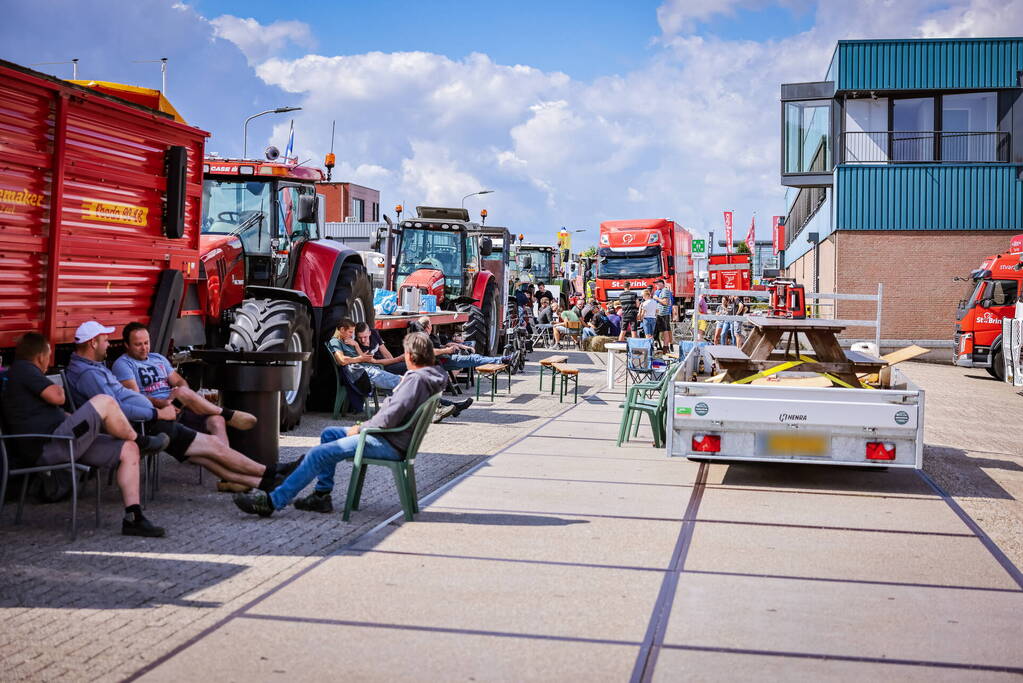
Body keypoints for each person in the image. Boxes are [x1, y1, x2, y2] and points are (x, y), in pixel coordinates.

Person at [232, 332, 447, 516]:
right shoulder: (427, 378)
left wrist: (360, 428)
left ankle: (271, 502)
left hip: (387, 442)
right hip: (393, 438)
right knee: (329, 434)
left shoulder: (416, 381)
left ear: (409, 356)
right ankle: (321, 496)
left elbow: (389, 418)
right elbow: (392, 416)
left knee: (318, 454)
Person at [65, 321, 284, 492]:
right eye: (104, 339)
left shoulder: (94, 368)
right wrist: (158, 412)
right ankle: (270, 472)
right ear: (93, 343)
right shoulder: (90, 374)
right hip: (147, 424)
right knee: (210, 447)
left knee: (204, 454)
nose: (107, 344)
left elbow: (128, 398)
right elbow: (118, 409)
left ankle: (265, 483)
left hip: (154, 419)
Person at [1, 332, 169, 537]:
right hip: (49, 446)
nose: (49, 360)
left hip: (64, 440)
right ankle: (141, 440)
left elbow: (48, 412)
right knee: (104, 401)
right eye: (49, 355)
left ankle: (133, 518)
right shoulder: (25, 369)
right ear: (40, 356)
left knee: (128, 450)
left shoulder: (23, 374)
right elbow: (58, 396)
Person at [113, 322, 256, 447]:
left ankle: (226, 473)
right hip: (157, 413)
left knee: (216, 421)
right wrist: (164, 403)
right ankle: (227, 414)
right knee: (180, 392)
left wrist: (181, 399)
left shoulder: (158, 359)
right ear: (127, 345)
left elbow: (180, 381)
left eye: (146, 342)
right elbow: (136, 397)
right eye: (138, 344)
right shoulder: (123, 364)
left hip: (177, 406)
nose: (144, 348)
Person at [416, 316, 517, 371]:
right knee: (474, 358)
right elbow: (429, 351)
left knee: (473, 356)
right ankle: (502, 359)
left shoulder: (430, 336)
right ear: (427, 327)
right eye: (430, 324)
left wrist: (450, 346)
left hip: (445, 357)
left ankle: (502, 360)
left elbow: (437, 346)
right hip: (443, 360)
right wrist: (446, 350)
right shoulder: (423, 337)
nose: (432, 326)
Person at [329, 319, 401, 392]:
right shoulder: (335, 341)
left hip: (368, 367)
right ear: (342, 329)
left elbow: (362, 357)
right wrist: (360, 359)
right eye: (350, 332)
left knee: (395, 384)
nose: (351, 335)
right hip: (360, 371)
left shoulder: (348, 341)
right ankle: (408, 384)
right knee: (398, 382)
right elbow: (342, 360)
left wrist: (357, 346)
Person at [653, 279, 674, 351]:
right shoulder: (663, 291)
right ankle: (666, 347)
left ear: (662, 284)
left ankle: (665, 347)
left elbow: (665, 302)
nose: (656, 285)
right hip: (664, 313)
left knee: (664, 331)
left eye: (657, 284)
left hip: (662, 314)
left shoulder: (664, 291)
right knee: (666, 330)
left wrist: (657, 298)